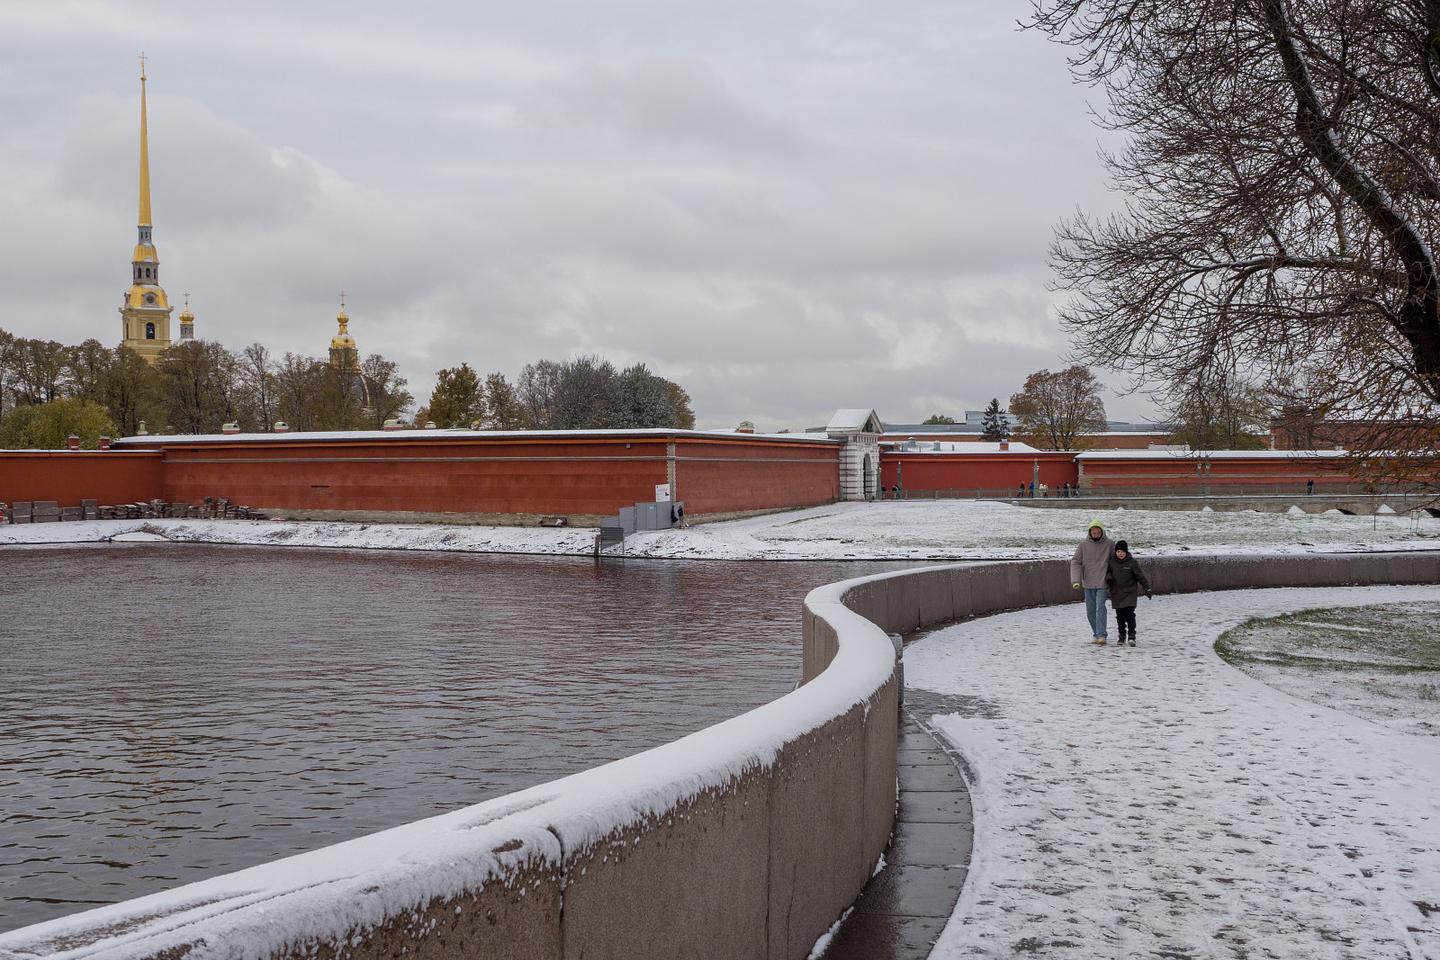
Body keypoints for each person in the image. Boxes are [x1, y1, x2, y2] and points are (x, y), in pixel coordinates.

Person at [1070, 519, 1114, 644]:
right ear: (1090, 532)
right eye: (1093, 532)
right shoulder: (1083, 545)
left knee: (1100, 608)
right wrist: (1075, 580)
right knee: (1090, 610)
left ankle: (1101, 635)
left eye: (1098, 532)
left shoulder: (1110, 544)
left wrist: (1110, 576)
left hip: (1102, 581)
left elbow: (1115, 561)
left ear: (1101, 532)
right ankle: (1096, 633)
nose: (1095, 534)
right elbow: (1076, 561)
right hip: (1088, 582)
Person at [1105, 539, 1152, 648]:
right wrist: (1109, 578)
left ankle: (1131, 636)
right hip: (1117, 593)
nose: (1120, 554)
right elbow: (1108, 573)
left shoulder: (1132, 563)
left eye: (1122, 552)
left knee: (1130, 615)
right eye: (1118, 552)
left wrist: (1147, 589)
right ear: (1115, 552)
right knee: (1120, 616)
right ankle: (1121, 636)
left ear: (1126, 552)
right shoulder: (1112, 562)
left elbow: (1140, 577)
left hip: (1129, 593)